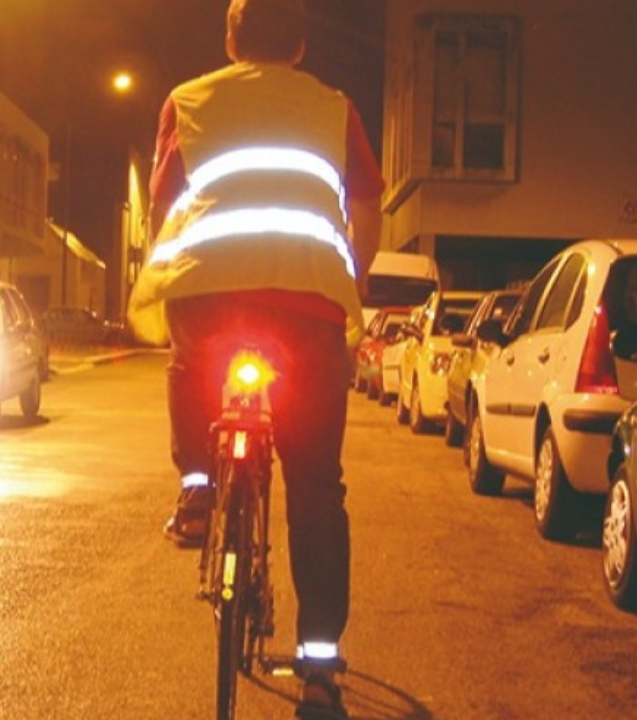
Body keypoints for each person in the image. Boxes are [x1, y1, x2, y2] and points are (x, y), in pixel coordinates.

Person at [127, 0, 383, 717]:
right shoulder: (335, 108)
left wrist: (172, 268)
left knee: (190, 361)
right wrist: (352, 276)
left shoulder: (188, 100)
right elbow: (368, 208)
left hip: (211, 295)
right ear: (299, 47)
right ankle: (320, 671)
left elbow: (164, 206)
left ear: (231, 40)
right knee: (316, 485)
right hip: (309, 307)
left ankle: (199, 487)